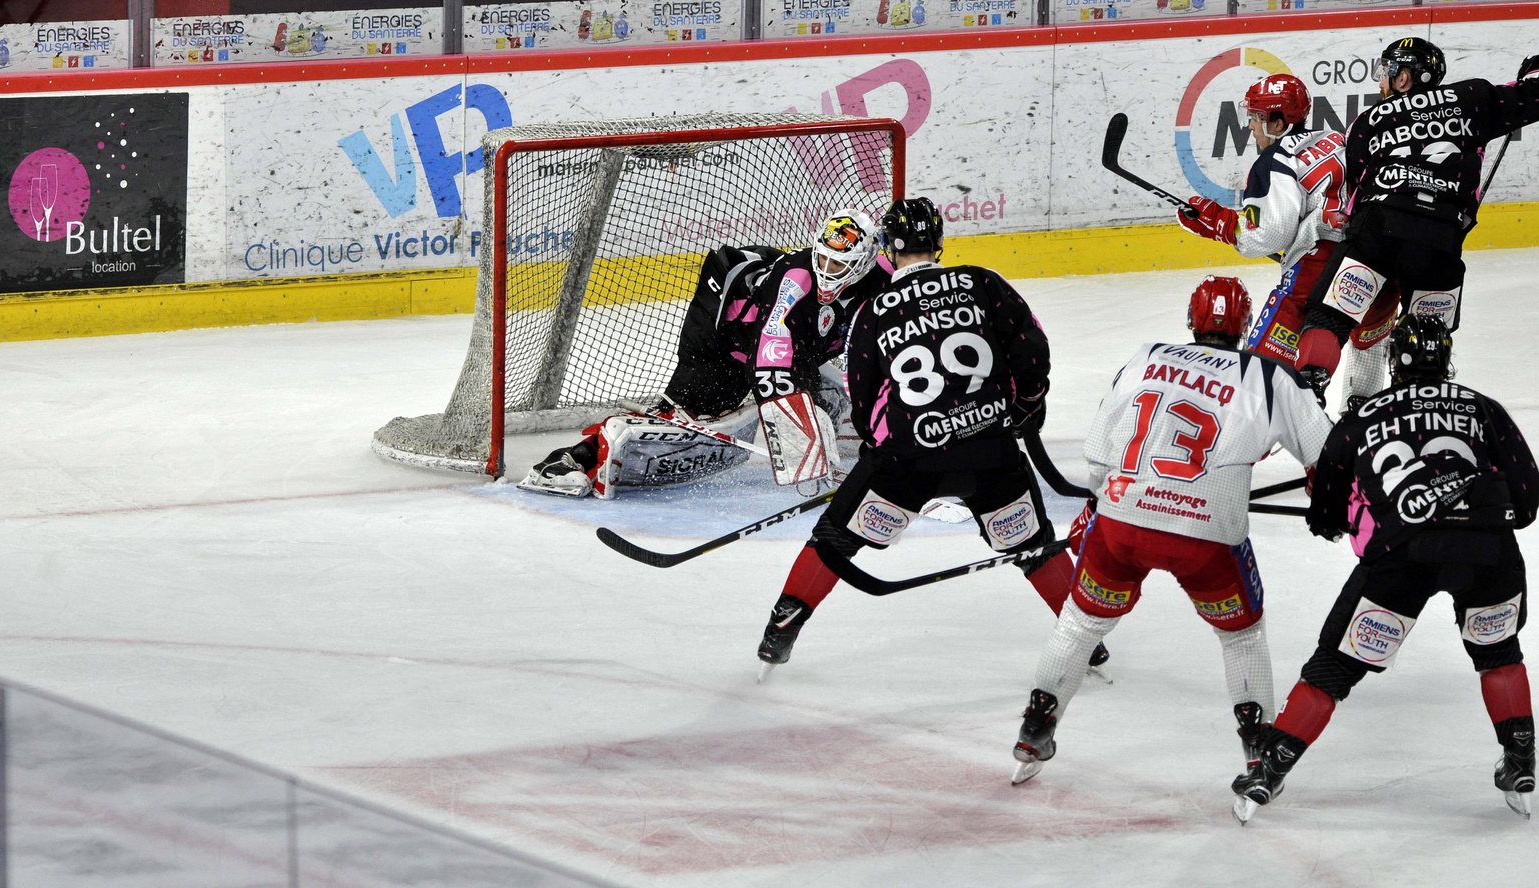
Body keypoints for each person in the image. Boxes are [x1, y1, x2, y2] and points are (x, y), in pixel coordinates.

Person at [755, 197, 1098, 678]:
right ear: (938, 242)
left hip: (906, 461)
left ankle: (781, 630)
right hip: (991, 455)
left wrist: (882, 454)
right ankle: (1086, 645)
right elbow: (1032, 350)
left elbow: (863, 395)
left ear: (888, 249)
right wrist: (1020, 410)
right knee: (1035, 546)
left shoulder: (873, 310)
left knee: (833, 540)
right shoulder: (983, 283)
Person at [1011, 275, 1331, 785]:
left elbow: (1098, 455)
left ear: (1190, 320)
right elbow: (1328, 457)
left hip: (1121, 526)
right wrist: (1329, 508)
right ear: (1247, 326)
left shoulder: (1144, 357)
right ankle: (1256, 748)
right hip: (1205, 542)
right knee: (1242, 637)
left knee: (1078, 625)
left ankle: (1036, 727)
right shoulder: (1268, 376)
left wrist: (1102, 506)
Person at [1232, 315, 1539, 822]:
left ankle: (1270, 768)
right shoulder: (1484, 408)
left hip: (1402, 558)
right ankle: (1522, 759)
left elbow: (1327, 505)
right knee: (1499, 654)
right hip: (1489, 555)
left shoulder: (1364, 415)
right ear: (1446, 358)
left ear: (1395, 361)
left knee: (1332, 670)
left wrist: (1333, 523)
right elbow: (1528, 499)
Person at [521, 210, 890, 498]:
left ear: (863, 263)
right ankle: (569, 459)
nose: (827, 271)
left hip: (798, 345)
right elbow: (769, 360)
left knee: (826, 394)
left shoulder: (881, 280)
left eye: (839, 265)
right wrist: (798, 439)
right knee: (684, 415)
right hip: (723, 338)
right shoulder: (795, 279)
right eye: (822, 259)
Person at [1294, 39, 1539, 400]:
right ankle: (1417, 412)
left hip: (1378, 228)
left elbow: (1354, 192)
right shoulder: (1471, 99)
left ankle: (1308, 389)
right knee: (1427, 338)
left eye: (1386, 72)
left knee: (1330, 315)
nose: (1382, 82)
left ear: (1404, 78)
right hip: (1440, 239)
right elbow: (1532, 97)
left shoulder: (1368, 120)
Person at [1178, 72, 1395, 410]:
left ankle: (1255, 428)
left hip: (1315, 269)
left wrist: (1218, 222)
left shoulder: (1275, 161)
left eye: (1255, 118)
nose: (1250, 127)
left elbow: (1268, 235)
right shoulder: (1337, 137)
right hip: (1377, 258)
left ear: (1278, 123)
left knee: (1258, 378)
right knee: (1368, 344)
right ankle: (1359, 421)